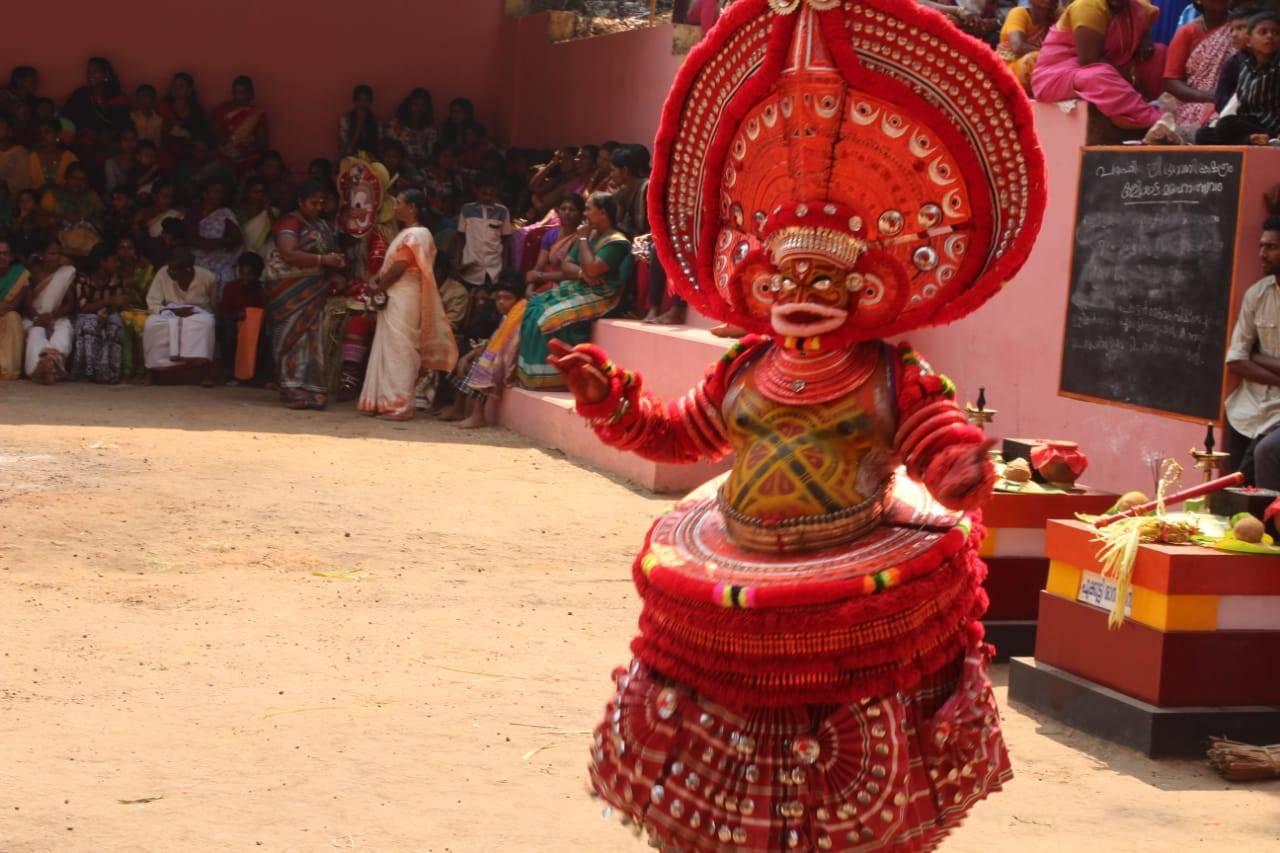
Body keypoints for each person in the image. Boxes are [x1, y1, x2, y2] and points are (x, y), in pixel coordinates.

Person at [554, 6, 1046, 850]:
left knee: (835, 754)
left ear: (865, 287)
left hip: (846, 593)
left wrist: (961, 464)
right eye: (787, 272)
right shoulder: (744, 369)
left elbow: (935, 439)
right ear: (760, 280)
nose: (800, 289)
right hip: (739, 582)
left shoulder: (889, 372)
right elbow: (679, 437)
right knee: (733, 758)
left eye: (823, 274)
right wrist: (611, 402)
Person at [357, 189, 457, 419]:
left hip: (403, 296)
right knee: (392, 347)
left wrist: (377, 286)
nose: (395, 207)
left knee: (400, 349)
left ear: (412, 208)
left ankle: (400, 405)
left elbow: (400, 267)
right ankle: (385, 401)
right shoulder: (409, 233)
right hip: (399, 295)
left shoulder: (417, 234)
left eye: (399, 203)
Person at [515, 191, 631, 390]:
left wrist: (584, 243)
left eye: (588, 209)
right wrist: (582, 274)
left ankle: (556, 379)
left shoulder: (616, 241)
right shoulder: (590, 234)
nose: (584, 213)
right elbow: (568, 265)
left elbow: (593, 268)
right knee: (534, 307)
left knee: (549, 318)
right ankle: (529, 374)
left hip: (603, 294)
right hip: (582, 285)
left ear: (602, 213)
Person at [264, 179, 346, 410]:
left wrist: (335, 264)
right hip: (288, 290)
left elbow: (331, 252)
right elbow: (288, 254)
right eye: (313, 203)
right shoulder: (289, 222)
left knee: (312, 339)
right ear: (300, 202)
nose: (318, 207)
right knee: (292, 338)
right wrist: (323, 260)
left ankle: (312, 389)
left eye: (322, 203)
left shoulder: (322, 225)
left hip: (314, 289)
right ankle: (291, 388)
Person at [1032, 0, 1167, 130]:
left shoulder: (1137, 8)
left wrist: (1145, 39)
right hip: (1059, 74)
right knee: (1098, 75)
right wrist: (1127, 81)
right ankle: (1152, 118)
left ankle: (1154, 104)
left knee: (1159, 53)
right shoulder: (1089, 6)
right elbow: (1090, 61)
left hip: (1113, 66)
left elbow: (1142, 27)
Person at [1226, 216, 1280, 486]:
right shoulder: (1257, 294)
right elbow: (1236, 359)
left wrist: (1258, 357)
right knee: (1229, 491)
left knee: (1261, 466)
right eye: (1262, 246)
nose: (1262, 254)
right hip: (1246, 410)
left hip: (1277, 416)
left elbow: (1247, 356)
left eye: (1271, 247)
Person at [452, 277, 525, 428]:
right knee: (466, 358)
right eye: (498, 298)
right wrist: (468, 355)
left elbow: (511, 345)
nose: (501, 302)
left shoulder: (520, 314)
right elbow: (493, 340)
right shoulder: (506, 317)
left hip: (512, 360)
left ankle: (478, 415)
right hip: (500, 354)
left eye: (507, 298)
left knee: (483, 363)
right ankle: (459, 409)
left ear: (517, 299)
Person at [1198, 11, 1280, 143]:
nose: (1270, 36)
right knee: (1203, 135)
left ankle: (1269, 138)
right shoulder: (1243, 66)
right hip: (1248, 123)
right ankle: (1252, 140)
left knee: (1226, 125)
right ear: (1248, 40)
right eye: (1263, 32)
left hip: (1272, 125)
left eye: (1275, 33)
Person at [143, 245, 218, 384]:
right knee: (152, 324)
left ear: (187, 269)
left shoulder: (208, 278)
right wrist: (172, 311)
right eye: (169, 268)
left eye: (174, 270)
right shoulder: (162, 273)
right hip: (169, 313)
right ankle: (154, 371)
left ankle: (204, 371)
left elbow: (212, 304)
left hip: (197, 314)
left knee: (206, 323)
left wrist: (194, 313)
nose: (170, 272)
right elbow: (153, 302)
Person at [1163, 0, 1237, 132]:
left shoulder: (1242, 27)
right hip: (1195, 102)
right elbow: (1171, 81)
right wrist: (1206, 96)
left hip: (1236, 98)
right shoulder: (1187, 32)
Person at [21, 238, 77, 384]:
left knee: (64, 330)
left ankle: (49, 361)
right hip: (34, 318)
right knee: (35, 333)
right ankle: (42, 367)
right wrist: (36, 318)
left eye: (59, 253)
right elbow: (26, 301)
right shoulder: (31, 273)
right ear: (42, 254)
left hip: (56, 316)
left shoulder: (66, 272)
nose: (56, 257)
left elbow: (70, 303)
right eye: (52, 253)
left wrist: (53, 316)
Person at [69, 243, 125, 384]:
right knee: (91, 322)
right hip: (83, 316)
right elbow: (82, 307)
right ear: (102, 262)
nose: (117, 263)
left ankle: (109, 373)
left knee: (115, 322)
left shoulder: (116, 279)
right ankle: (87, 371)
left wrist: (107, 308)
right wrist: (107, 301)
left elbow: (117, 304)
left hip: (106, 314)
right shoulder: (83, 278)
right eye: (114, 260)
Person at [62, 57, 131, 170]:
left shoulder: (118, 98)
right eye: (88, 71)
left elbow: (123, 124)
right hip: (82, 142)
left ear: (106, 75)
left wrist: (107, 136)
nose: (90, 75)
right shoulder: (81, 94)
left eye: (95, 71)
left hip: (109, 143)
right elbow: (66, 118)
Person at [216, 251, 268, 384]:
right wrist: (237, 316)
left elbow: (263, 311)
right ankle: (228, 371)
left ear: (257, 275)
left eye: (249, 274)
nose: (245, 277)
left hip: (253, 328)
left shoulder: (260, 291)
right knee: (227, 328)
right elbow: (223, 312)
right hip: (232, 324)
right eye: (242, 273)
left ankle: (256, 374)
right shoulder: (231, 287)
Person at [454, 174, 513, 288]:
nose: (487, 197)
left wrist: (504, 266)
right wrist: (458, 260)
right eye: (484, 194)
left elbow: (506, 239)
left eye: (491, 194)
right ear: (476, 191)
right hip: (470, 266)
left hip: (494, 267)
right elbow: (461, 237)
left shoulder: (502, 211)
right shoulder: (466, 210)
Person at [525, 193, 586, 295]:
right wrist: (529, 290)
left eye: (572, 210)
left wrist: (540, 276)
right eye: (563, 209)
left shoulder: (582, 238)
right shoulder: (551, 234)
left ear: (580, 214)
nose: (567, 213)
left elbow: (573, 274)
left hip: (569, 287)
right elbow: (539, 266)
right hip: (546, 283)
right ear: (558, 212)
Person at [188, 178, 243, 292]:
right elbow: (191, 239)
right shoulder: (194, 212)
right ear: (205, 194)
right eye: (214, 191)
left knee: (228, 279)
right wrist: (219, 242)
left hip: (221, 262)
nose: (218, 195)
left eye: (220, 192)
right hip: (199, 261)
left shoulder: (226, 213)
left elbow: (237, 239)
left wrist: (215, 244)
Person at [40, 162, 103, 259]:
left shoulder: (92, 197)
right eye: (74, 178)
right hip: (60, 249)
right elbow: (41, 221)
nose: (77, 183)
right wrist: (63, 218)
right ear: (66, 178)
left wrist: (84, 220)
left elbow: (101, 222)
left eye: (82, 179)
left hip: (88, 248)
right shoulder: (52, 195)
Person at [998, 0, 1059, 94]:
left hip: (1034, 70)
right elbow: (1018, 47)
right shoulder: (1019, 12)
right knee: (1035, 58)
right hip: (1007, 69)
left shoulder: (1053, 20)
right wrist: (1048, 53)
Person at [211, 75, 268, 176]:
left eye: (242, 93)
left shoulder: (256, 114)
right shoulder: (222, 109)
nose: (238, 96)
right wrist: (226, 147)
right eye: (235, 92)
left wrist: (243, 153)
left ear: (251, 94)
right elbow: (213, 133)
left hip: (248, 159)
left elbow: (261, 142)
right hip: (223, 157)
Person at [115, 235, 154, 382]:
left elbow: (148, 297)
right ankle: (127, 370)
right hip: (122, 309)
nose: (125, 252)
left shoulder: (147, 268)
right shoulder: (115, 267)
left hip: (143, 309)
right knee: (126, 321)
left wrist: (135, 286)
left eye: (129, 248)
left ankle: (144, 371)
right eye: (122, 248)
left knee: (140, 324)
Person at [159, 72, 209, 175]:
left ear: (190, 90)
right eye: (175, 85)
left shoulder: (196, 110)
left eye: (181, 86)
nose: (177, 89)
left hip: (189, 153)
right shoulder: (164, 107)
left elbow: (200, 134)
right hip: (167, 150)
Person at [1215, 5, 1260, 113]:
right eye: (1232, 30)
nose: (1234, 34)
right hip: (1241, 117)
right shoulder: (1233, 64)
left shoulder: (1275, 61)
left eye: (1240, 28)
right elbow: (1220, 102)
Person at [385, 87, 436, 169]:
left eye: (422, 105)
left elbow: (432, 152)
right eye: (415, 104)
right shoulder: (397, 124)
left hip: (423, 168)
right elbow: (389, 147)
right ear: (409, 104)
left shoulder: (430, 129)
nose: (418, 109)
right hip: (399, 166)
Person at [0, 240, 29, 380]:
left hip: (6, 315)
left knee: (13, 317)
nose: (2, 257)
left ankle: (7, 368)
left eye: (5, 254)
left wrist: (6, 307)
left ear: (11, 257)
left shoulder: (19, 274)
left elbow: (16, 304)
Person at [27, 117, 77, 190]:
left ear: (58, 135)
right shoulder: (31, 158)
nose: (42, 135)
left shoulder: (69, 157)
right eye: (40, 133)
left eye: (47, 132)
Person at [238, 176, 277, 257]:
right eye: (256, 192)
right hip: (243, 254)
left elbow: (276, 233)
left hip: (264, 256)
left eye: (262, 193)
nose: (259, 196)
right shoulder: (240, 211)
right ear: (248, 192)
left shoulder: (273, 212)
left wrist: (268, 210)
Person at [339, 84, 382, 158]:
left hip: (372, 160)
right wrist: (359, 125)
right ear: (354, 101)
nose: (362, 104)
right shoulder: (346, 120)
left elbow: (379, 147)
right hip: (351, 159)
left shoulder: (377, 122)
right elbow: (347, 150)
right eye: (359, 100)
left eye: (366, 100)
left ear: (370, 102)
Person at [0, 115, 30, 195]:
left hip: (10, 199)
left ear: (9, 131)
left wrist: (4, 183)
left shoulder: (19, 152)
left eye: (1, 126)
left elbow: (23, 181)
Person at [103, 126, 138, 192]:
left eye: (133, 139)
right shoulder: (111, 163)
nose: (129, 143)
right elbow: (111, 188)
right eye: (125, 139)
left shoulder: (142, 160)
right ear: (119, 142)